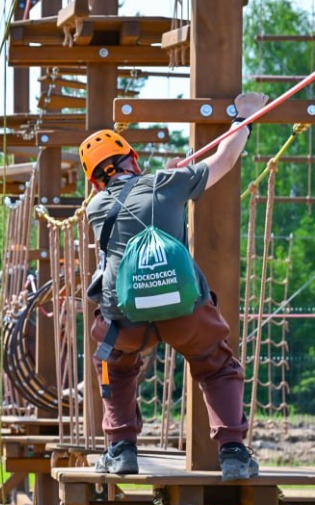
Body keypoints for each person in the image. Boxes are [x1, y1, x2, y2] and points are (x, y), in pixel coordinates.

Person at [82, 91, 268, 481]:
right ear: (133, 159)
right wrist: (245, 119)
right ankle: (233, 452)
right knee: (216, 366)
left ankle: (120, 450)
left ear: (96, 181)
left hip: (125, 320)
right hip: (184, 309)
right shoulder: (167, 182)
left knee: (115, 367)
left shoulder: (95, 208)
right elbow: (225, 159)